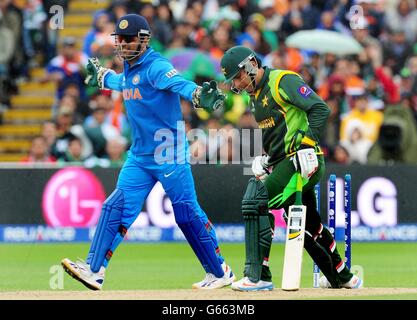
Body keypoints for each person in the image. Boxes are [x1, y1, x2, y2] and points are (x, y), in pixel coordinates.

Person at [61, 14, 234, 291]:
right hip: (140, 156)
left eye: (129, 40)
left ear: (143, 40)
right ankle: (94, 271)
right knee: (115, 207)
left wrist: (200, 95)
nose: (123, 45)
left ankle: (220, 271)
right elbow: (123, 83)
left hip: (169, 152)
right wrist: (104, 77)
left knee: (187, 214)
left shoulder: (156, 66)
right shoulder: (129, 70)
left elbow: (180, 84)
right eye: (120, 39)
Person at [219, 46, 363, 291]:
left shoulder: (282, 81)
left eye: (237, 76)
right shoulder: (253, 96)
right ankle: (342, 275)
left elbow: (320, 109)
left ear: (252, 64)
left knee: (256, 200)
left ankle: (258, 275)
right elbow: (277, 132)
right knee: (309, 224)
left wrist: (307, 142)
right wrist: (267, 159)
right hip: (285, 162)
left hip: (304, 159)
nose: (237, 83)